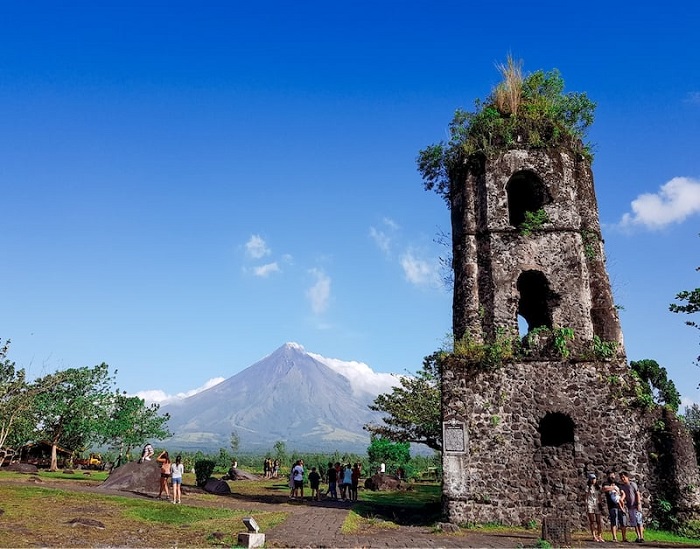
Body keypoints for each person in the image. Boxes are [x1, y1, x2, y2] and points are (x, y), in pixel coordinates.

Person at [619, 471, 644, 543]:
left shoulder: (632, 484)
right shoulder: (623, 487)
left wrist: (638, 504)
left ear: (627, 477)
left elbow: (637, 493)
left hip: (636, 505)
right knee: (634, 523)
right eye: (621, 478)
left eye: (624, 477)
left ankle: (641, 536)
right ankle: (638, 536)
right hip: (630, 506)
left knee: (639, 521)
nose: (623, 479)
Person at [602, 470, 626, 542]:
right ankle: (614, 538)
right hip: (612, 506)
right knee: (614, 521)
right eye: (611, 475)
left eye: (613, 475)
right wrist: (613, 488)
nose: (612, 476)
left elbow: (623, 493)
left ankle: (624, 538)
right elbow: (604, 489)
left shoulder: (617, 484)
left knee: (623, 522)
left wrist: (621, 499)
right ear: (608, 476)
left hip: (619, 504)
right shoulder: (606, 483)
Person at [585, 473, 604, 542]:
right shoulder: (588, 487)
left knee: (598, 521)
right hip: (590, 504)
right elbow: (586, 497)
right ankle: (594, 536)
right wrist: (586, 506)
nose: (593, 480)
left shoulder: (597, 487)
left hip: (597, 504)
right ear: (589, 480)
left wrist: (600, 504)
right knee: (592, 521)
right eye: (592, 479)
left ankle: (599, 535)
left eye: (594, 478)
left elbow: (599, 497)